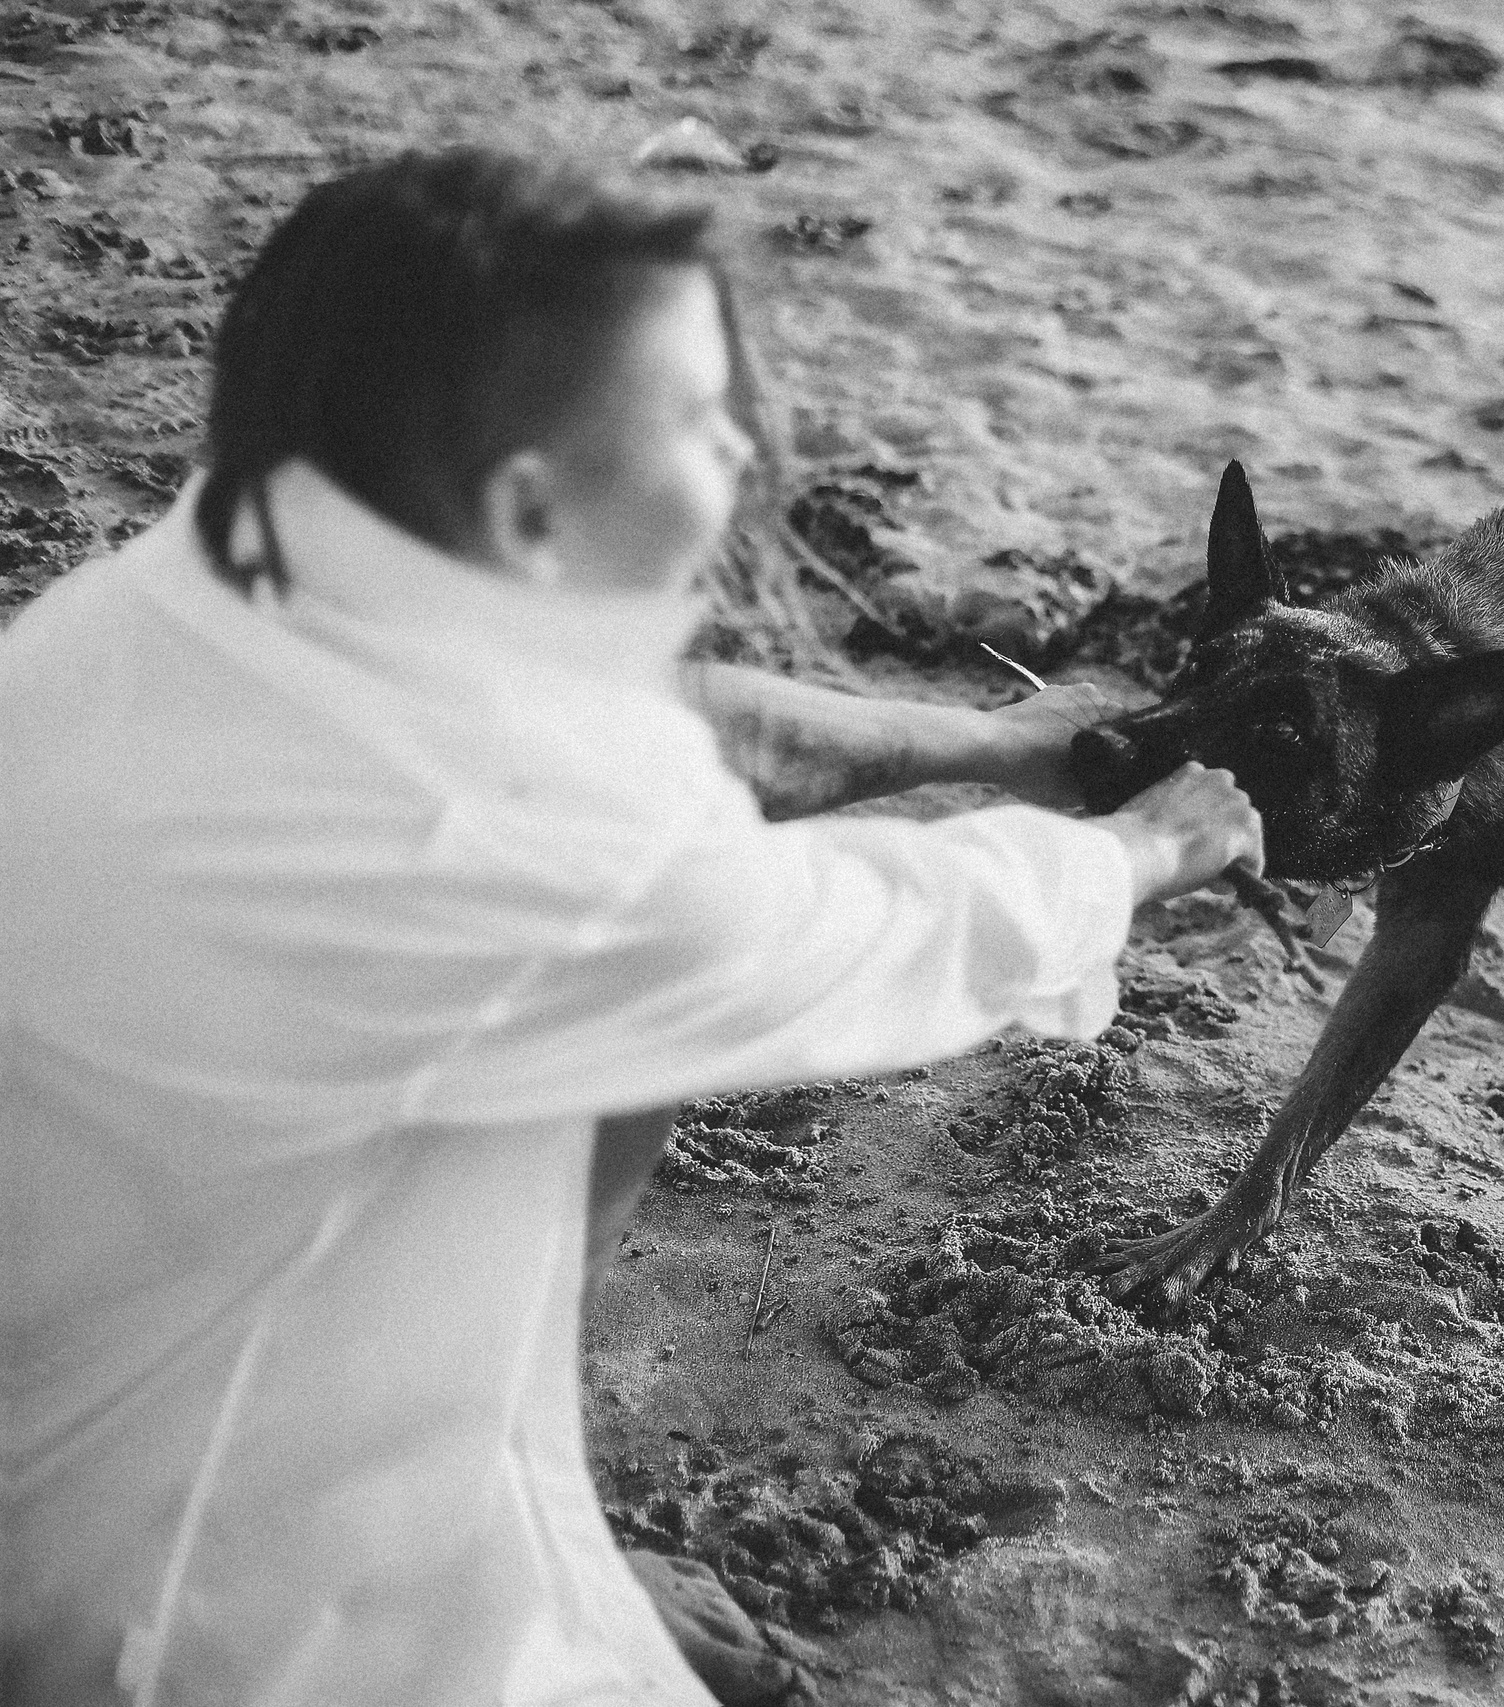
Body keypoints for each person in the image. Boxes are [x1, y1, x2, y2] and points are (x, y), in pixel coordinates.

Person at [0, 147, 1261, 1706]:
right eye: (698, 414)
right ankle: (512, 1579)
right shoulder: (489, 848)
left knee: (586, 1075)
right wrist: (1145, 848)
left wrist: (983, 743)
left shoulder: (232, 566)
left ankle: (534, 1533)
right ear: (531, 509)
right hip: (153, 1607)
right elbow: (868, 931)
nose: (741, 445)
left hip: (106, 1308)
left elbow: (666, 745)